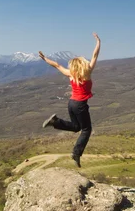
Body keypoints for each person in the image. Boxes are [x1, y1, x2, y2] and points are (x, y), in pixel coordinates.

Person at [39, 33, 101, 168]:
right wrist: (98, 42)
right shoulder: (88, 72)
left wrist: (45, 59)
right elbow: (95, 55)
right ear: (83, 64)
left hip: (71, 103)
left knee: (76, 127)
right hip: (80, 105)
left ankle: (55, 121)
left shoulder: (70, 74)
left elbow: (56, 65)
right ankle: (76, 153)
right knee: (86, 130)